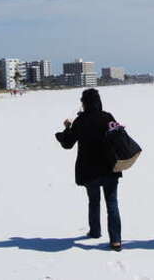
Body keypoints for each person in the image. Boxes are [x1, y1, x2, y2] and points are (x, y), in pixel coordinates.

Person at [55, 88, 122, 251]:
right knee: (112, 203)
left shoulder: (80, 121)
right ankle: (116, 241)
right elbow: (118, 136)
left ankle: (95, 231)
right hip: (109, 167)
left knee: (94, 201)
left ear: (84, 103)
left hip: (89, 169)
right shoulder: (108, 117)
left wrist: (67, 128)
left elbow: (67, 143)